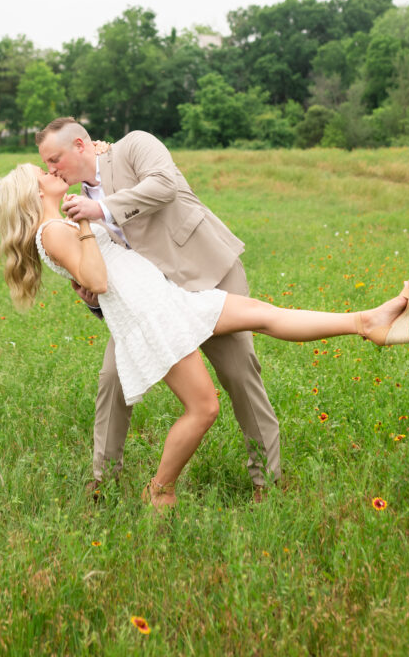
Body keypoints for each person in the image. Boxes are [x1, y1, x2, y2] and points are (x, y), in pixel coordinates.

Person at [0, 162, 409, 510]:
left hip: (169, 299)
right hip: (152, 318)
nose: (51, 170)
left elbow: (104, 268)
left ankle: (368, 323)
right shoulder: (52, 232)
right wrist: (87, 224)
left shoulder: (64, 223)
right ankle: (159, 491)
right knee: (203, 408)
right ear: (33, 194)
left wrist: (88, 221)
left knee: (264, 315)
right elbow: (99, 281)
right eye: (42, 172)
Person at [36, 118, 280, 499]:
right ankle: (103, 481)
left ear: (81, 145)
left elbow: (164, 186)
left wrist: (100, 209)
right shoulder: (72, 208)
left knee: (238, 372)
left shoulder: (133, 146)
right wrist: (94, 302)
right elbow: (101, 272)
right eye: (46, 164)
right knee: (112, 378)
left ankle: (267, 480)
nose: (51, 170)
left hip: (206, 272)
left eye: (55, 159)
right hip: (148, 304)